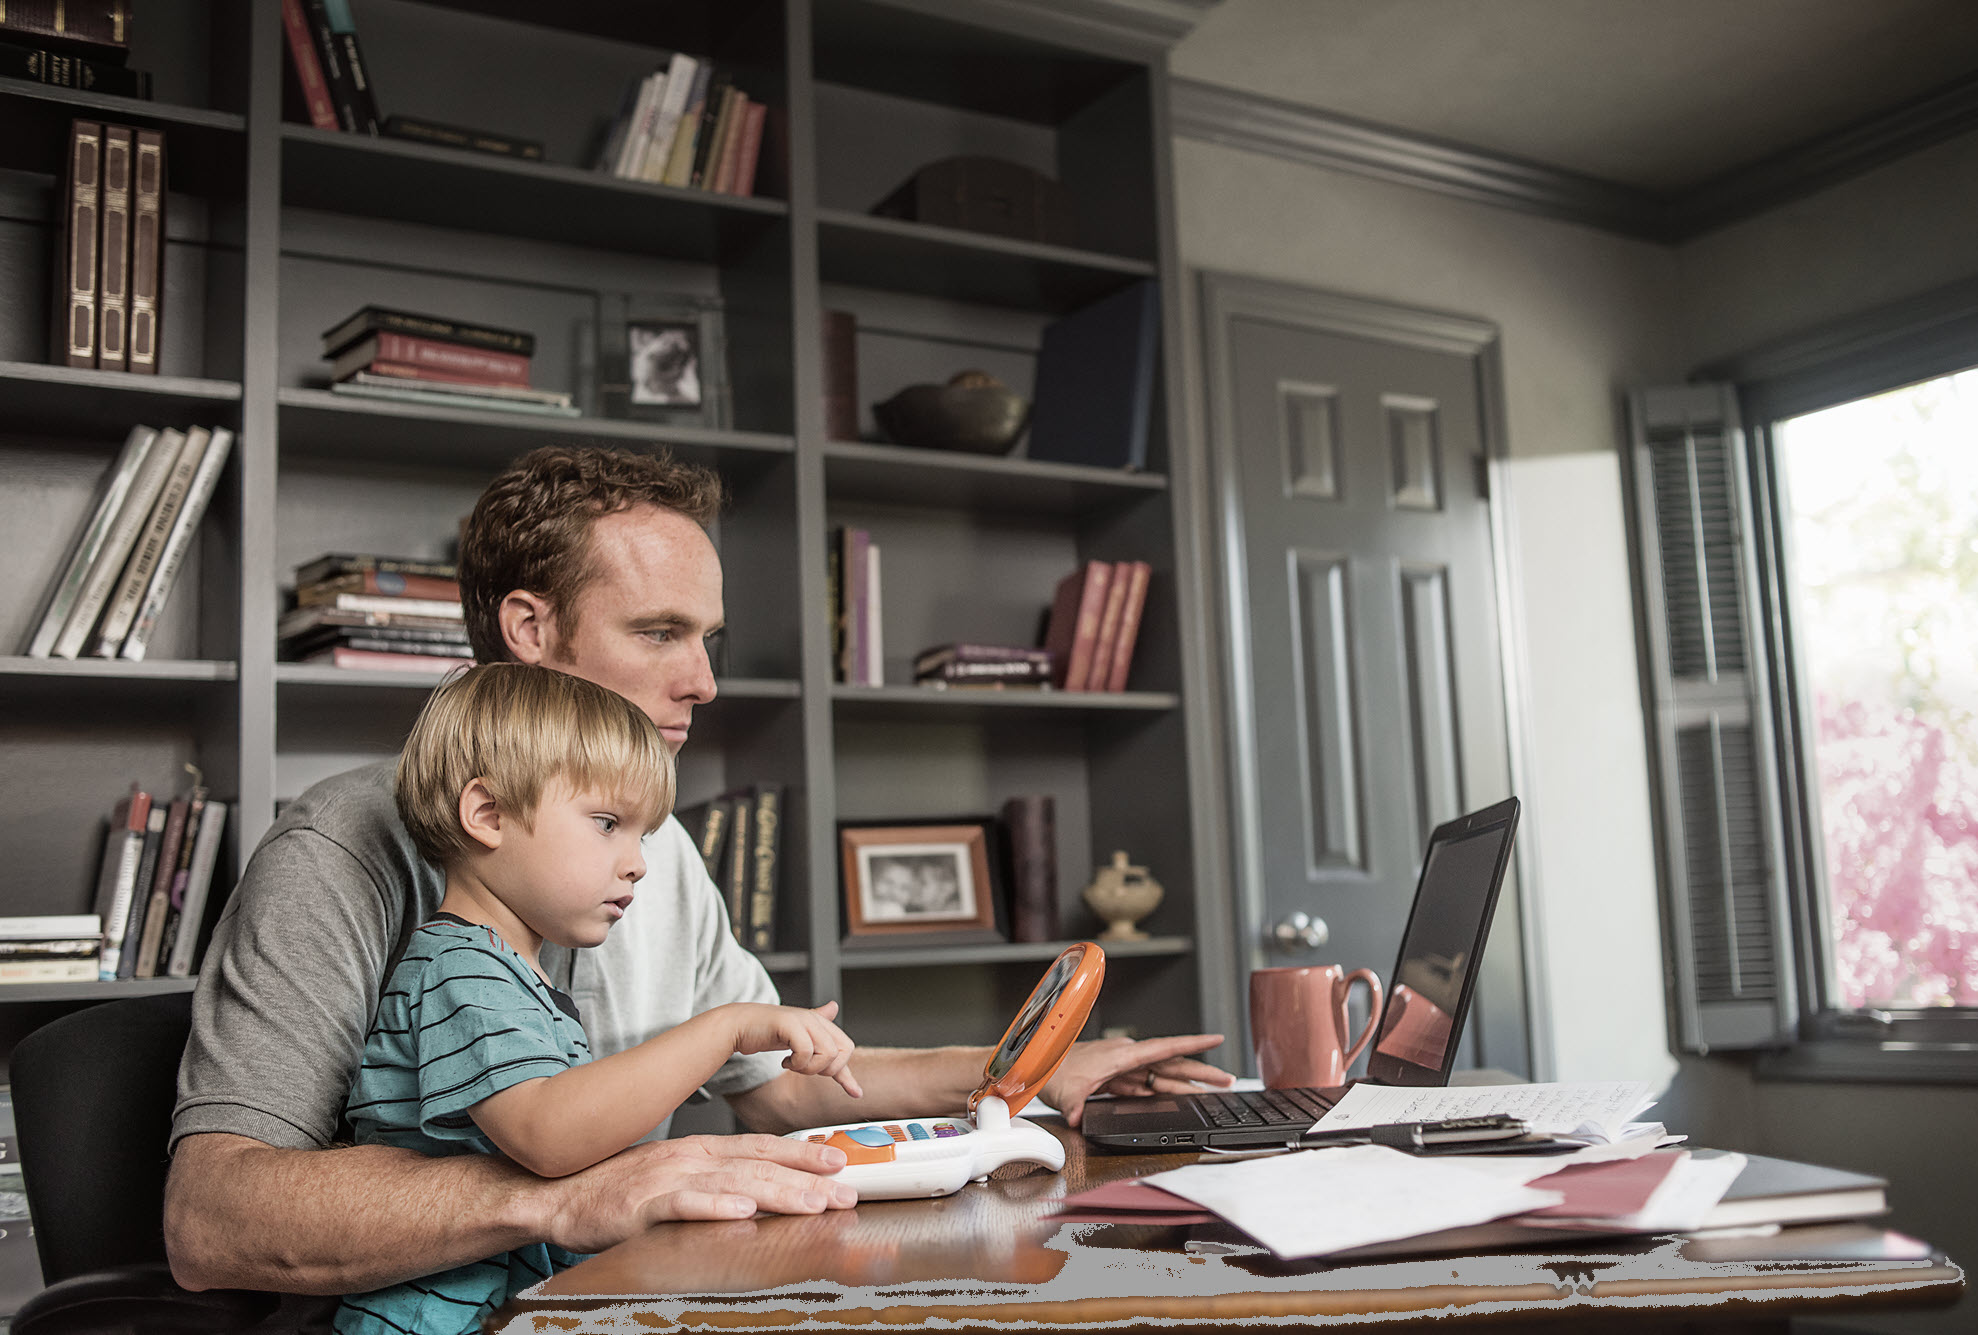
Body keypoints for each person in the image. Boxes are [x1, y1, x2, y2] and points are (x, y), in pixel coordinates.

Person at [166, 445, 1230, 1313]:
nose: (705, 682)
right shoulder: (338, 850)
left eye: (708, 638)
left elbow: (771, 1085)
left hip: (616, 1296)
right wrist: (573, 1194)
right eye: (660, 633)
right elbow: (212, 1222)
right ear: (530, 631)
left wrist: (1023, 1075)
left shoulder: (654, 844)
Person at [337, 663, 860, 1335]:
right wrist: (723, 1028)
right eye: (607, 822)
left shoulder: (505, 972)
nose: (638, 860)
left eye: (642, 835)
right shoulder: (457, 969)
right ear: (487, 814)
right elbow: (550, 1136)